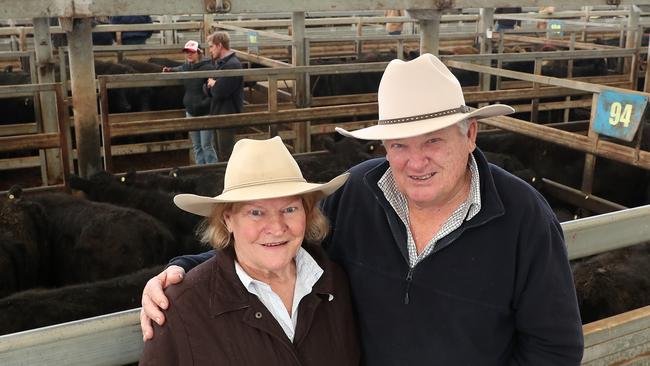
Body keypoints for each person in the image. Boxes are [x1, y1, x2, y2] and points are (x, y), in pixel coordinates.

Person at [141, 54, 584, 365]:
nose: (416, 161)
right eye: (399, 145)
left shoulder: (523, 217)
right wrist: (186, 272)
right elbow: (284, 242)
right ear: (383, 145)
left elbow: (555, 347)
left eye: (434, 140)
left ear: (470, 135)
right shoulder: (358, 193)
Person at [139, 136, 359, 365]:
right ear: (228, 220)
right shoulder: (181, 307)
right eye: (256, 212)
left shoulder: (336, 283)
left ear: (308, 213)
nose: (276, 227)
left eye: (290, 209)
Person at [162, 40, 218, 164]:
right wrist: (170, 70)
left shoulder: (208, 68)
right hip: (191, 112)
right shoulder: (186, 66)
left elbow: (214, 89)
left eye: (192, 52)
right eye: (187, 52)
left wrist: (205, 103)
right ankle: (201, 171)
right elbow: (180, 68)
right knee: (197, 146)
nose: (189, 55)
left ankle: (213, 170)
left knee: (206, 145)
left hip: (205, 112)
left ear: (198, 53)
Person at [203, 31, 244, 160]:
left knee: (226, 154)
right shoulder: (222, 64)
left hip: (227, 114)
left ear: (219, 45)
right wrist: (212, 85)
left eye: (211, 46)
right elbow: (206, 88)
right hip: (220, 112)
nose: (210, 50)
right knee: (222, 152)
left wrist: (213, 85)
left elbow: (219, 92)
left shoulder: (232, 65)